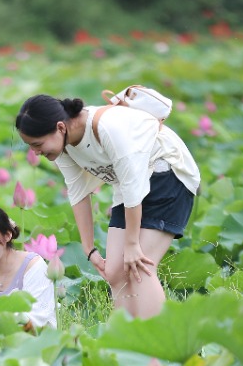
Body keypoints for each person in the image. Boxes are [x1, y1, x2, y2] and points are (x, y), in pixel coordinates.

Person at [15, 93, 200, 319]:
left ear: (60, 127)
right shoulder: (63, 147)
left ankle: (160, 344)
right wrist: (89, 248)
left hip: (168, 174)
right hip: (129, 187)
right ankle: (126, 342)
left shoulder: (108, 128)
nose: (35, 153)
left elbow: (134, 187)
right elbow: (78, 192)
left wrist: (132, 244)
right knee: (114, 273)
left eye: (37, 144)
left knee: (139, 267)